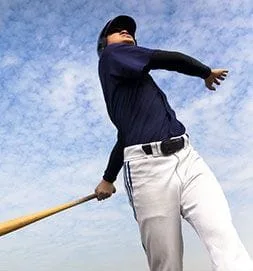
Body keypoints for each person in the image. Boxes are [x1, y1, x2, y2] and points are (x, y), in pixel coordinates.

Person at [94, 15, 253, 271]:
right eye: (116, 30)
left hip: (188, 159)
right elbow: (169, 59)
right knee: (166, 263)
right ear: (105, 44)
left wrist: (108, 179)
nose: (126, 32)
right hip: (148, 170)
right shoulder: (111, 56)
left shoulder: (132, 82)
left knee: (224, 239)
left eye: (130, 31)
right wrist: (205, 72)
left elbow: (125, 135)